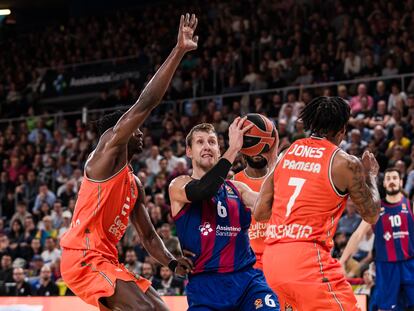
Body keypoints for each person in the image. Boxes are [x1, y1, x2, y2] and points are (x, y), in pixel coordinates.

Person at [60, 14, 198, 311]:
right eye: (133, 128)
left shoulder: (133, 184)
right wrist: (178, 51)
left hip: (106, 260)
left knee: (160, 309)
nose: (141, 131)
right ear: (114, 133)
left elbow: (148, 236)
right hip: (82, 257)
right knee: (145, 310)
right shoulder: (104, 158)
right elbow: (146, 103)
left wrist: (172, 262)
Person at [255, 96, 381, 310]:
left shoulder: (287, 153)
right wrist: (371, 178)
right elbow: (371, 215)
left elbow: (260, 212)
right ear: (342, 130)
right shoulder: (346, 163)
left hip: (273, 260)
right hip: (307, 262)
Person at [169, 119, 280, 310]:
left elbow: (271, 208)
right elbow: (203, 190)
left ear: (219, 151)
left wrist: (273, 161)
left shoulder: (238, 189)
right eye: (200, 142)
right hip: (206, 287)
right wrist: (233, 149)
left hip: (247, 282)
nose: (207, 146)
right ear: (189, 151)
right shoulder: (178, 185)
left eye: (212, 142)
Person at [340, 168, 414, 311]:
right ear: (384, 184)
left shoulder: (410, 205)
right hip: (386, 266)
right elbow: (358, 234)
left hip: (409, 264)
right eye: (388, 179)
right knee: (386, 308)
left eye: (394, 178)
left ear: (401, 182)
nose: (392, 181)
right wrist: (342, 261)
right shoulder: (376, 210)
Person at [233, 154, 269, 270]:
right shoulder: (234, 181)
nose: (257, 152)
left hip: (277, 252)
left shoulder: (279, 176)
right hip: (250, 259)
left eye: (261, 147)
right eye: (253, 146)